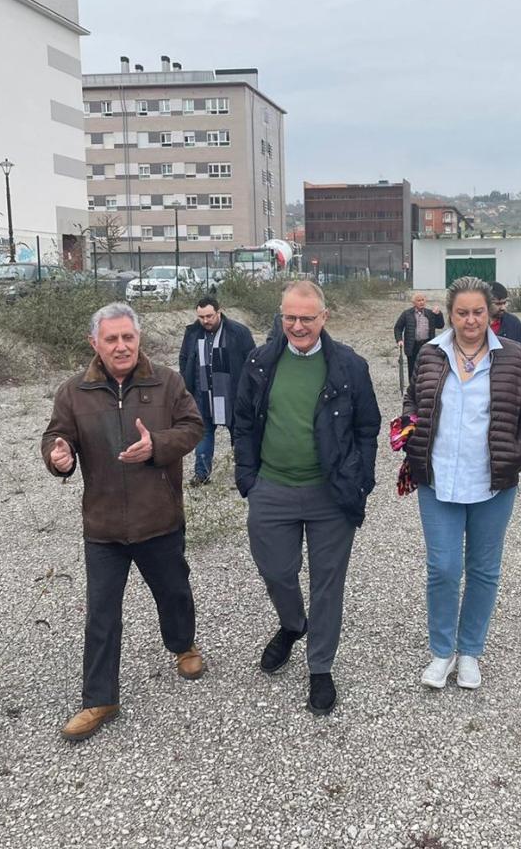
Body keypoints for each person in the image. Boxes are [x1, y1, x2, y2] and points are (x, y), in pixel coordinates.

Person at [41, 302, 206, 741]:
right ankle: (100, 699)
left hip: (159, 518)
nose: (121, 346)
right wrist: (58, 456)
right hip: (104, 524)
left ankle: (182, 645)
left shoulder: (166, 382)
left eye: (127, 337)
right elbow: (56, 436)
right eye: (111, 339)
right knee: (101, 613)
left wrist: (158, 445)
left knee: (173, 592)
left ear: (139, 338)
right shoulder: (73, 392)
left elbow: (193, 426)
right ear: (94, 343)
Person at [233, 280, 380, 716]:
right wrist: (247, 478)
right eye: (289, 317)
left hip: (330, 493)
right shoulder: (260, 362)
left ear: (323, 318)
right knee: (277, 571)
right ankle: (293, 624)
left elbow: (367, 429)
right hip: (271, 487)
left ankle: (320, 667)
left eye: (306, 318)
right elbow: (243, 423)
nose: (297, 326)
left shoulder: (349, 367)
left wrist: (361, 480)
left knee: (327, 583)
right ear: (281, 316)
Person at [402, 276, 521, 690]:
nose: (470, 320)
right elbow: (413, 398)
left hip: (493, 482)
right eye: (462, 312)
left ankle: (470, 652)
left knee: (483, 570)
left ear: (491, 312)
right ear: (450, 313)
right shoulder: (430, 354)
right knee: (443, 568)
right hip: (438, 480)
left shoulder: (514, 356)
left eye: (478, 312)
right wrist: (412, 437)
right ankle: (442, 651)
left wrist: (517, 452)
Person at [178, 294, 256, 485]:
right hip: (202, 394)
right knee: (204, 433)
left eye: (209, 316)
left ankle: (245, 472)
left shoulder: (239, 332)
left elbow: (253, 361)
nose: (206, 321)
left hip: (233, 395)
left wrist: (249, 390)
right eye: (201, 317)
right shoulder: (192, 333)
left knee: (239, 434)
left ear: (219, 312)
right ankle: (202, 474)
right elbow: (184, 358)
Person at [393, 292, 445, 374]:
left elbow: (440, 325)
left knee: (427, 368)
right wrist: (399, 339)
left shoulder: (430, 313)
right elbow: (398, 328)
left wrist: (438, 314)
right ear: (413, 303)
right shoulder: (407, 314)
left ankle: (424, 386)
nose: (421, 302)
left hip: (427, 344)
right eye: (418, 300)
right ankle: (413, 386)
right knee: (413, 369)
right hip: (412, 345)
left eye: (423, 300)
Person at [488, 281, 521, 347]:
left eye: (504, 303)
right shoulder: (475, 324)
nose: (503, 308)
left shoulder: (513, 323)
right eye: (498, 304)